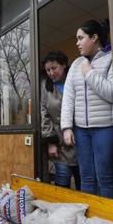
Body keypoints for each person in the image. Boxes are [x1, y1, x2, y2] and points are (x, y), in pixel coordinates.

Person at [61, 20, 113, 198]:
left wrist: (90, 73)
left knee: (105, 176)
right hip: (81, 131)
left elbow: (112, 94)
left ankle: (106, 219)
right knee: (86, 177)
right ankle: (89, 219)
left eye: (80, 38)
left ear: (94, 37)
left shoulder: (112, 58)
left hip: (105, 128)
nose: (77, 43)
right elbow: (68, 98)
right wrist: (67, 127)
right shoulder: (76, 64)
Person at [40, 50, 80, 189]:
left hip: (80, 138)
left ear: (64, 65)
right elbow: (44, 115)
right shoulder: (46, 87)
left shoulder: (76, 80)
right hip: (59, 143)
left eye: (54, 68)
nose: (51, 73)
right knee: (62, 182)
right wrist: (51, 141)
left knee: (83, 182)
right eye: (48, 70)